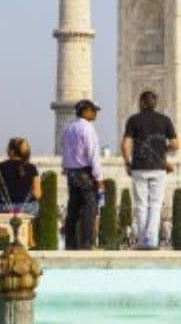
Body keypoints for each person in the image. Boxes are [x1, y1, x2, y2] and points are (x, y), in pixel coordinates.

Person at [122, 91, 179, 250]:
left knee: (140, 204)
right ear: (155, 103)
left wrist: (127, 162)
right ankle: (152, 240)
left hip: (139, 168)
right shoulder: (165, 120)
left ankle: (141, 240)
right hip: (158, 169)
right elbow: (175, 144)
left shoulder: (133, 120)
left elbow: (125, 144)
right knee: (155, 204)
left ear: (141, 102)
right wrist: (162, 150)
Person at [61, 99, 104, 250]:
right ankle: (86, 243)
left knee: (73, 209)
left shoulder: (68, 129)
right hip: (85, 173)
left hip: (71, 173)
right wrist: (98, 178)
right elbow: (93, 154)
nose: (95, 114)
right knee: (89, 208)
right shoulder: (87, 129)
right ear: (86, 111)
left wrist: (66, 170)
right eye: (93, 111)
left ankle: (70, 243)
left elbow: (65, 152)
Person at [0, 137, 41, 247]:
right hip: (27, 209)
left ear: (12, 151)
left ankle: (3, 236)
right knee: (34, 207)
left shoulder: (1, 167)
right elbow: (37, 194)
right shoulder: (32, 168)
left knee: (2, 209)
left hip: (6, 208)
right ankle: (29, 235)